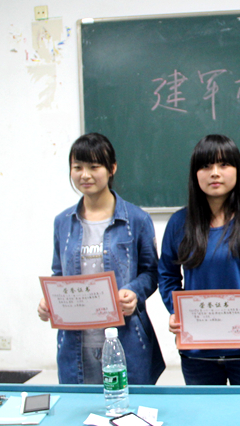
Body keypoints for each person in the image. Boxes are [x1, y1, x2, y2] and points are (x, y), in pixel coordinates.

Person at [37, 133, 165, 385]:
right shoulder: (63, 222)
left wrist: (134, 291)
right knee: (80, 408)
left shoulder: (136, 219)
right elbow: (59, 275)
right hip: (76, 345)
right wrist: (49, 301)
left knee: (127, 406)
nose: (85, 175)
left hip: (126, 340)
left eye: (94, 167)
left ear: (111, 168)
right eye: (77, 167)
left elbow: (152, 272)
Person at [158, 134, 240, 385]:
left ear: (238, 170)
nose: (215, 173)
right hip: (198, 352)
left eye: (224, 164)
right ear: (195, 174)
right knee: (204, 412)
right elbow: (167, 276)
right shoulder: (179, 224)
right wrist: (177, 311)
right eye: (206, 166)